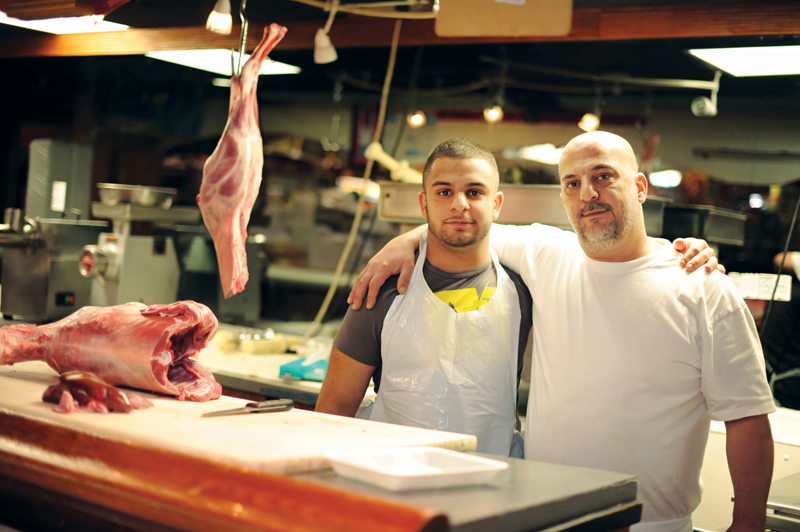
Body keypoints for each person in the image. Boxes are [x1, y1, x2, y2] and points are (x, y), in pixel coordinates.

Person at [348, 132, 774, 532]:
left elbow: (747, 416)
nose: (587, 193)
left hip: (651, 525)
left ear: (640, 187)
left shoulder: (702, 286)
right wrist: (405, 242)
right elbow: (461, 224)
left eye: (603, 176)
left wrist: (750, 524)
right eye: (572, 183)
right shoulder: (547, 254)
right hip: (550, 517)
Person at [316, 138, 533, 456]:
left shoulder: (522, 294)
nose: (460, 204)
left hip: (490, 485)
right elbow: (332, 413)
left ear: (496, 204)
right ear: (424, 204)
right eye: (444, 192)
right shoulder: (383, 289)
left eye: (474, 192)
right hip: (389, 484)